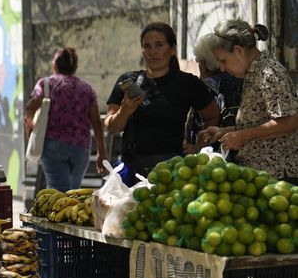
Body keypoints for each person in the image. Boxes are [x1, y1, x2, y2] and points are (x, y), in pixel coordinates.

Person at [105, 22, 219, 185]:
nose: (153, 52)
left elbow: (212, 116)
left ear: (172, 49)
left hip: (172, 173)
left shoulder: (188, 83)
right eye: (147, 46)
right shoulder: (128, 81)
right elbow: (111, 126)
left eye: (159, 45)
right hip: (132, 172)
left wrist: (198, 145)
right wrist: (125, 110)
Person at [197, 19, 298, 182]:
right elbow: (263, 120)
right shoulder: (253, 72)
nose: (221, 68)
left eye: (223, 60)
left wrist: (242, 136)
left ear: (238, 50)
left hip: (278, 177)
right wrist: (227, 131)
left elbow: (289, 122)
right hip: (260, 175)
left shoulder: (268, 74)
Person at [23, 47, 107, 191]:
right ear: (75, 67)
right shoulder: (86, 89)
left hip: (53, 147)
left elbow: (30, 109)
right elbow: (96, 122)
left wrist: (31, 127)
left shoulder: (46, 84)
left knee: (58, 192)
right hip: (81, 149)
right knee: (72, 191)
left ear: (54, 65)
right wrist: (102, 151)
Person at [184, 34, 243, 154]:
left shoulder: (204, 87)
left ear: (204, 65)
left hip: (213, 154)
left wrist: (196, 147)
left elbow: (196, 123)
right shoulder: (241, 79)